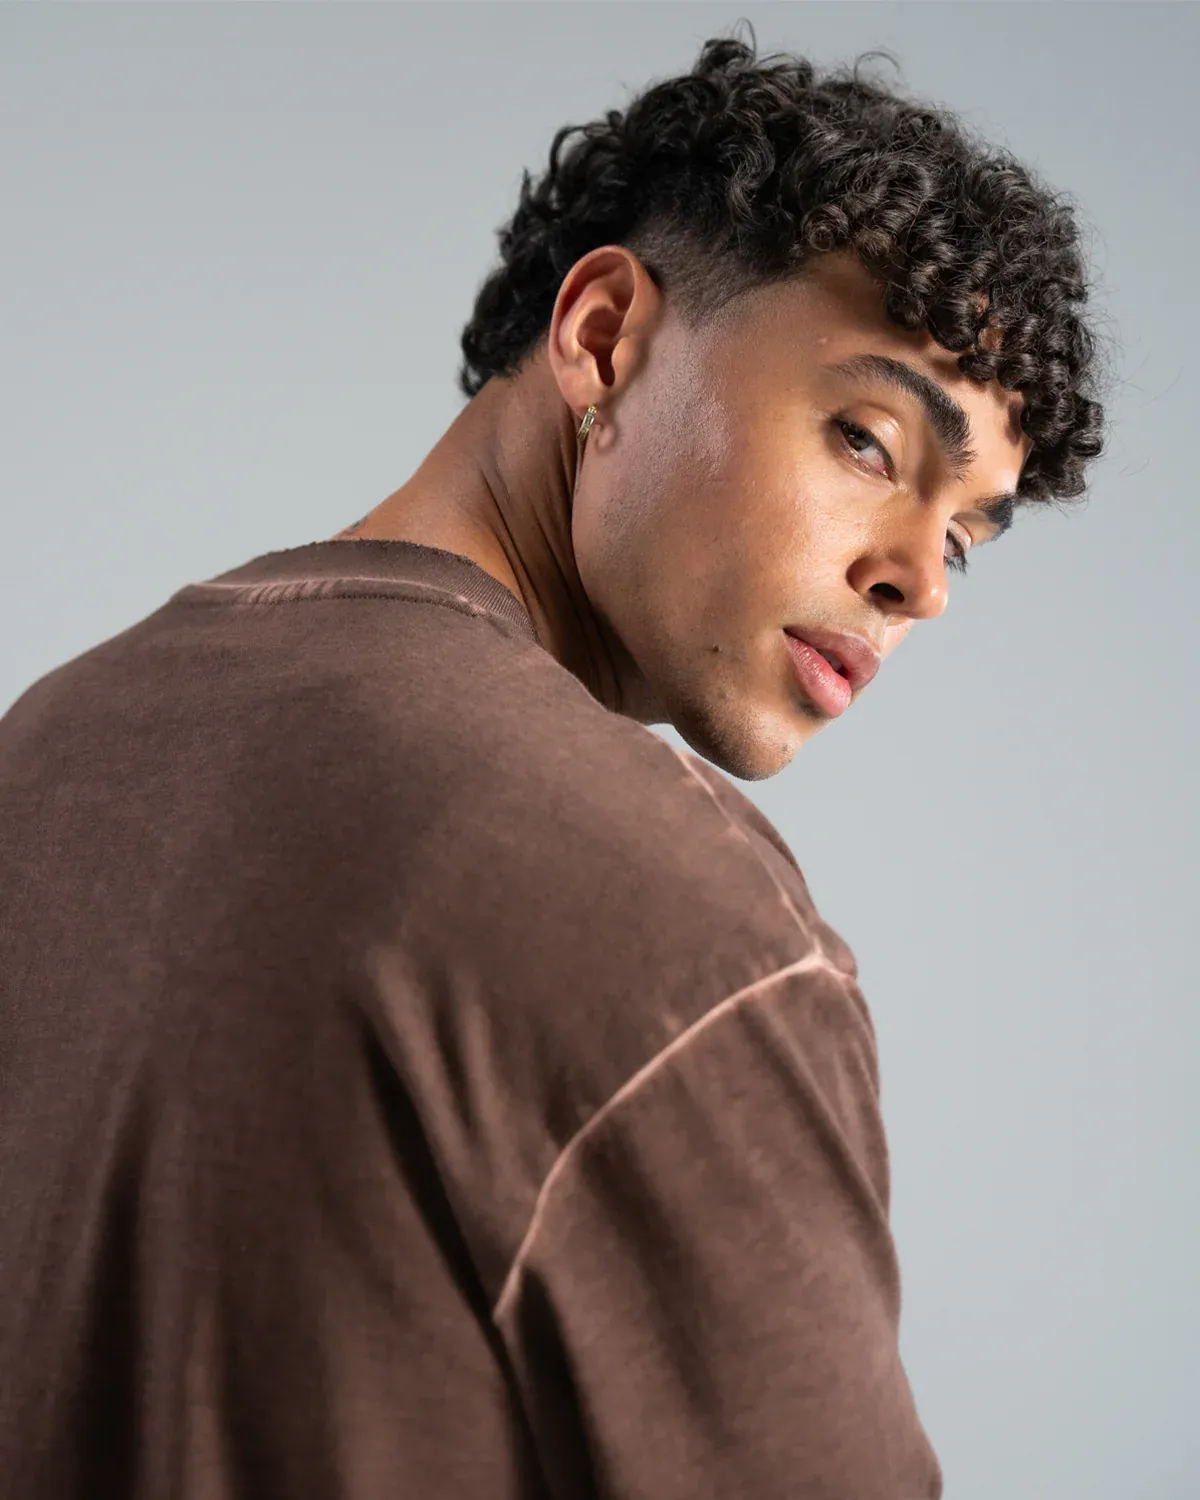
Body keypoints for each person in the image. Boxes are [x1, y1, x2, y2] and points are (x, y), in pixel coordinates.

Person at [0, 27, 1106, 1500]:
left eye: (962, 536)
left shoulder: (55, 742)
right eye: (867, 440)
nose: (920, 581)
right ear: (601, 336)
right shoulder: (675, 917)